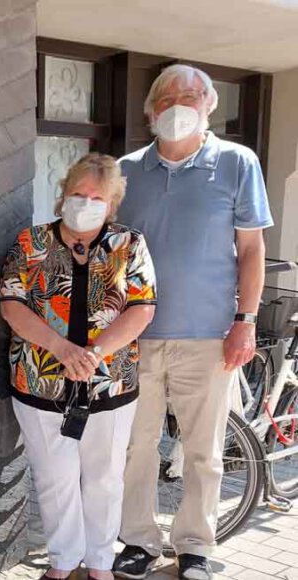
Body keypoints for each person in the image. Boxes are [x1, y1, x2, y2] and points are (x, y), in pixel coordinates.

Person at [113, 64, 273, 580]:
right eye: (167, 97)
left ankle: (195, 547)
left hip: (209, 336)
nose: (177, 104)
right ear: (150, 110)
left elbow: (251, 250)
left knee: (202, 451)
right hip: (132, 339)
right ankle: (137, 540)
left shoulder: (236, 163)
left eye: (190, 95)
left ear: (209, 106)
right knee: (135, 448)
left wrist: (245, 320)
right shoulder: (126, 171)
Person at [1, 153, 157, 580]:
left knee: (105, 480)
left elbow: (142, 309)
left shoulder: (130, 245)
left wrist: (94, 353)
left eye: (96, 197)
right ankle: (63, 562)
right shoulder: (30, 243)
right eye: (77, 194)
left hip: (109, 386)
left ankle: (100, 564)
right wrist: (62, 350)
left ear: (112, 204)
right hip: (40, 383)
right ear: (62, 195)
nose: (85, 202)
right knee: (56, 479)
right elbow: (12, 305)